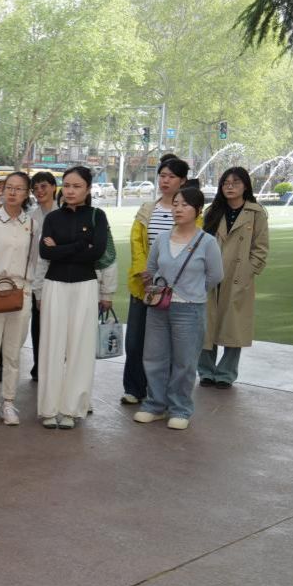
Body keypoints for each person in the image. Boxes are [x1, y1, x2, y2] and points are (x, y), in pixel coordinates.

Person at [134, 186, 224, 429]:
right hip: (159, 307)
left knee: (184, 361)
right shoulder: (162, 239)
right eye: (175, 204)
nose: (178, 209)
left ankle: (180, 409)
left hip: (189, 309)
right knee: (154, 357)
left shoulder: (207, 242)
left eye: (185, 205)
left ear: (198, 210)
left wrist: (192, 291)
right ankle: (155, 405)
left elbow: (215, 275)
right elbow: (152, 269)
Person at [37, 166, 109, 430]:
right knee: (51, 345)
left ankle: (71, 409)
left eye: (77, 186)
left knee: (80, 347)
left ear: (88, 189)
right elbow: (45, 253)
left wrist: (62, 248)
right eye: (66, 185)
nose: (70, 191)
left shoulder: (97, 216)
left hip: (85, 285)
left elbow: (97, 251)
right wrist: (80, 245)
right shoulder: (52, 218)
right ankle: (49, 408)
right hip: (54, 284)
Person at [121, 155, 189, 406]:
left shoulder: (189, 211)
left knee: (168, 343)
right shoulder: (147, 209)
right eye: (162, 176)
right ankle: (134, 388)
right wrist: (144, 270)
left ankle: (164, 393)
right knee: (135, 340)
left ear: (183, 181)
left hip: (174, 287)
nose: (165, 181)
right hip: (144, 285)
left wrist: (166, 274)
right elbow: (136, 242)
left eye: (171, 176)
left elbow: (191, 244)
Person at [198, 167, 269, 388]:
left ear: (245, 185)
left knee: (234, 325)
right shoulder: (212, 211)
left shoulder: (256, 213)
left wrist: (248, 271)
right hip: (211, 275)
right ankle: (206, 371)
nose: (230, 186)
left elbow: (261, 247)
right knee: (207, 324)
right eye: (226, 183)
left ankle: (226, 373)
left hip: (238, 277)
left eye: (235, 182)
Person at [0, 172, 36, 426]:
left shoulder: (31, 224)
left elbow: (34, 260)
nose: (12, 192)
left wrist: (28, 288)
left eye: (19, 188)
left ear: (27, 193)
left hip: (21, 291)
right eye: (8, 187)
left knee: (13, 353)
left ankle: (9, 402)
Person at [27, 171, 58, 382]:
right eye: (35, 188)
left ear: (54, 187)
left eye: (44, 186)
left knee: (57, 326)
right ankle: (39, 366)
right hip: (35, 278)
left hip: (58, 277)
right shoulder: (31, 217)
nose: (39, 191)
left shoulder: (63, 214)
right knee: (38, 324)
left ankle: (56, 366)